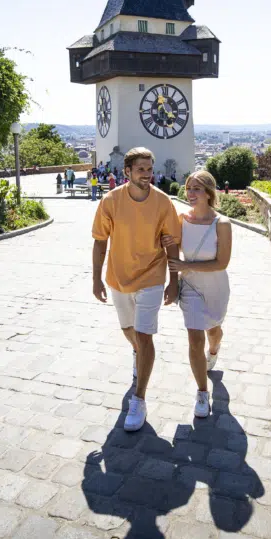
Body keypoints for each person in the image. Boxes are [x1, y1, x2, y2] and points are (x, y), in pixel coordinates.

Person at [92, 147, 181, 431]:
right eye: (140, 169)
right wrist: (96, 278)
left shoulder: (163, 203)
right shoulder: (110, 201)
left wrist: (174, 281)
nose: (146, 174)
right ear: (127, 171)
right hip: (118, 277)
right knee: (128, 331)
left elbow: (171, 243)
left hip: (152, 277)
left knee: (145, 337)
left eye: (149, 169)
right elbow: (100, 240)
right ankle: (138, 356)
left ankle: (139, 399)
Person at [162, 170, 232, 418]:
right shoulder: (181, 219)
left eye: (196, 189)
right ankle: (203, 393)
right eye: (188, 188)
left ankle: (215, 350)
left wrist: (187, 266)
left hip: (215, 287)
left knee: (213, 330)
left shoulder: (221, 223)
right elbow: (172, 247)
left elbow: (222, 262)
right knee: (194, 339)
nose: (190, 194)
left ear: (209, 193)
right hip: (190, 287)